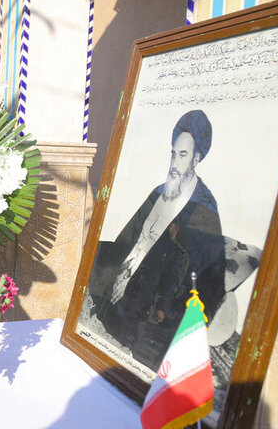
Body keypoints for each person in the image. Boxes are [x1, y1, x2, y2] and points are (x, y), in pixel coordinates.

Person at [89, 109, 225, 370]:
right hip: (117, 297)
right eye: (173, 153)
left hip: (150, 316)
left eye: (183, 155)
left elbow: (197, 276)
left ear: (197, 158)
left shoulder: (204, 210)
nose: (174, 162)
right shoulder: (159, 191)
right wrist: (115, 276)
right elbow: (127, 240)